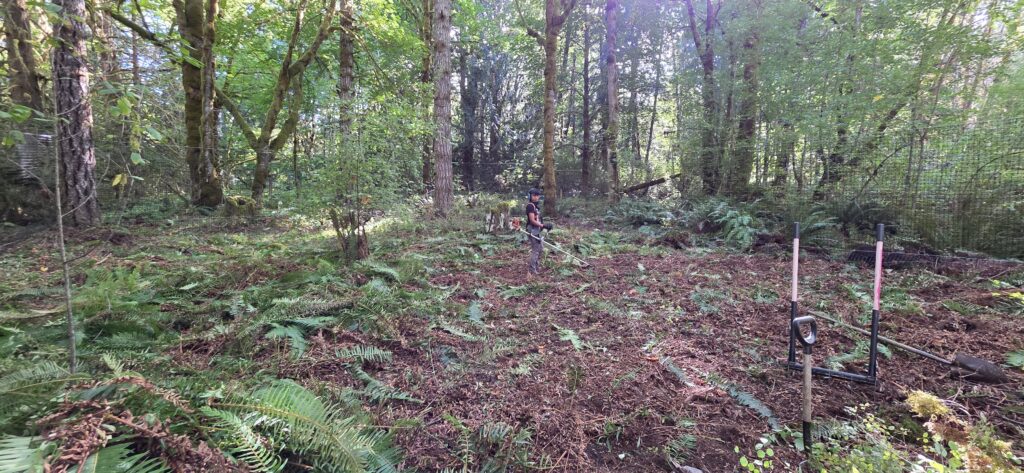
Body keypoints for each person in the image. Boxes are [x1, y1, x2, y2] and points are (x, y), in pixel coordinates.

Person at [525, 188, 552, 274]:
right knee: (536, 249)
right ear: (530, 196)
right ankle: (532, 270)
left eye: (537, 195)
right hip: (532, 229)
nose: (536, 197)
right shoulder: (530, 206)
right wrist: (543, 226)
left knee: (540, 249)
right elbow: (532, 220)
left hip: (537, 229)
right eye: (534, 195)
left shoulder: (536, 206)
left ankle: (536, 266)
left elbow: (538, 219)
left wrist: (544, 226)